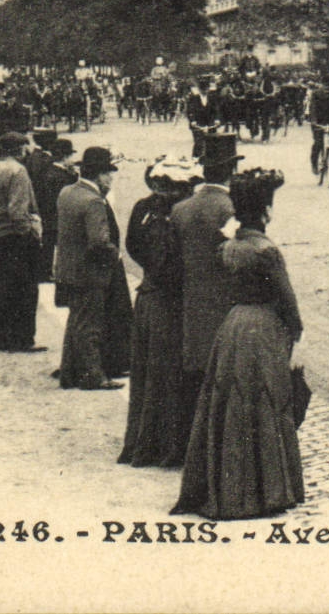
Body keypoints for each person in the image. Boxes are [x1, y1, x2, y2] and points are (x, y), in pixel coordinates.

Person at [172, 168, 303, 520]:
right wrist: (297, 333)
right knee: (265, 399)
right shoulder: (266, 250)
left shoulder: (229, 247)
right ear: (265, 212)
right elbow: (287, 300)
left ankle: (230, 484)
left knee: (229, 402)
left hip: (232, 327)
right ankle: (266, 489)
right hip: (262, 327)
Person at [119, 158, 200, 468]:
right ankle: (170, 445)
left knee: (147, 373)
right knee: (170, 374)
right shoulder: (178, 214)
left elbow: (132, 246)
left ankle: (145, 441)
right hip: (171, 304)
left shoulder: (143, 209)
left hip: (148, 298)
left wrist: (150, 272)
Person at [175, 131, 241, 448]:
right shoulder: (231, 210)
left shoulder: (182, 208)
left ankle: (192, 440)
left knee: (195, 369)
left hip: (191, 300)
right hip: (225, 302)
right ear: (231, 170)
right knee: (225, 373)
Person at [55, 146, 130, 390]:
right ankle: (93, 375)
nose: (111, 178)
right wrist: (115, 254)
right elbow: (98, 241)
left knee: (76, 320)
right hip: (90, 272)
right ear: (99, 175)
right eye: (109, 173)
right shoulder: (94, 201)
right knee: (91, 325)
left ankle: (69, 371)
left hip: (68, 268)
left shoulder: (67, 192)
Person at [0, 131, 45, 353]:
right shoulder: (18, 171)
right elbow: (18, 211)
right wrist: (29, 234)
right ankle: (22, 339)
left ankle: (0, 338)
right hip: (17, 237)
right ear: (19, 149)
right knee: (25, 289)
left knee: (3, 287)